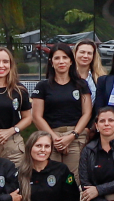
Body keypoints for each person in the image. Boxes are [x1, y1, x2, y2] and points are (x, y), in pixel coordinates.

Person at [33, 45, 93, 175]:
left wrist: (72, 136)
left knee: (73, 179)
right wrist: (54, 138)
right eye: (57, 58)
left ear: (71, 61)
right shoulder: (43, 86)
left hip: (75, 137)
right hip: (50, 137)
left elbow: (87, 113)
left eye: (65, 58)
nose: (61, 61)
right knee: (51, 176)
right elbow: (37, 116)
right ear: (51, 62)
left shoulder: (81, 84)